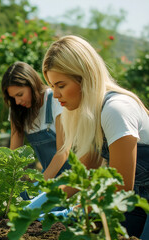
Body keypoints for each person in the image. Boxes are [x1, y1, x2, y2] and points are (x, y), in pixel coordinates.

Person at [42, 35, 149, 237]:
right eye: (52, 86)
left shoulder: (116, 110)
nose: (55, 95)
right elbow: (86, 171)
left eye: (61, 85)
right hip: (136, 198)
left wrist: (78, 211)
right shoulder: (92, 113)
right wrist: (46, 201)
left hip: (127, 195)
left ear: (85, 78)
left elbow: (120, 188)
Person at [2, 61, 70, 181]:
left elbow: (63, 152)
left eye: (20, 94)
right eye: (13, 97)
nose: (17, 101)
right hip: (49, 177)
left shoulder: (54, 100)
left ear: (32, 85)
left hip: (72, 176)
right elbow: (15, 155)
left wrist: (41, 186)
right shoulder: (17, 109)